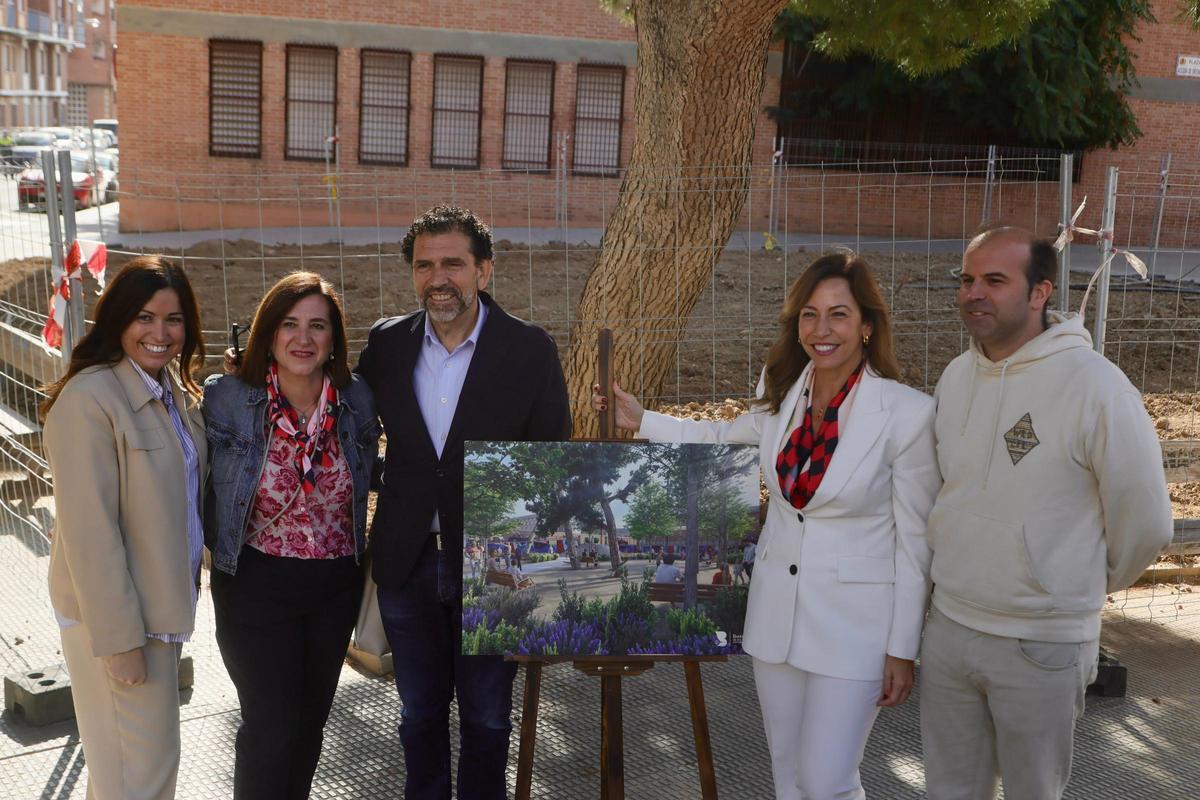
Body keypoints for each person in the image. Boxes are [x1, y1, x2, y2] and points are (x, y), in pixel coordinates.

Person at [595, 251, 940, 800]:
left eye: (838, 315)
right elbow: (724, 438)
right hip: (778, 619)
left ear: (868, 326)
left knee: (828, 781)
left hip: (857, 630)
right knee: (788, 775)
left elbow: (916, 542)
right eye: (809, 314)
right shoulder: (784, 391)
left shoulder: (907, 413)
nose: (821, 330)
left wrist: (904, 647)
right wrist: (643, 421)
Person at [919, 227, 1173, 800]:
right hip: (951, 629)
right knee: (948, 792)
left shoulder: (1096, 387)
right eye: (967, 279)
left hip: (1042, 644)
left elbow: (1148, 522)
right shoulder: (957, 377)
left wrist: (1070, 587)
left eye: (995, 280)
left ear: (1040, 293)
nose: (974, 293)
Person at [356, 205, 571, 800]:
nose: (437, 277)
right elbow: (344, 428)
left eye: (453, 262)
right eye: (424, 265)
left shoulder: (529, 350)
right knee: (419, 715)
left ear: (485, 271)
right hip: (408, 561)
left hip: (494, 569)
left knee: (487, 718)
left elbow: (551, 461)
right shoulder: (387, 345)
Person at [203, 272, 379, 799]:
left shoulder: (358, 399)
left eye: (317, 326)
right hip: (255, 584)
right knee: (269, 729)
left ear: (333, 339)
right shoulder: (229, 397)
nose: (303, 339)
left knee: (308, 728)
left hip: (333, 585)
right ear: (268, 333)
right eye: (289, 324)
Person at [41, 256, 207, 800]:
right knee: (142, 777)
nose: (160, 334)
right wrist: (119, 644)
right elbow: (90, 535)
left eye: (174, 319)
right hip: (118, 623)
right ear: (117, 319)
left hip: (155, 612)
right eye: (144, 317)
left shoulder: (169, 391)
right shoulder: (90, 400)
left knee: (126, 774)